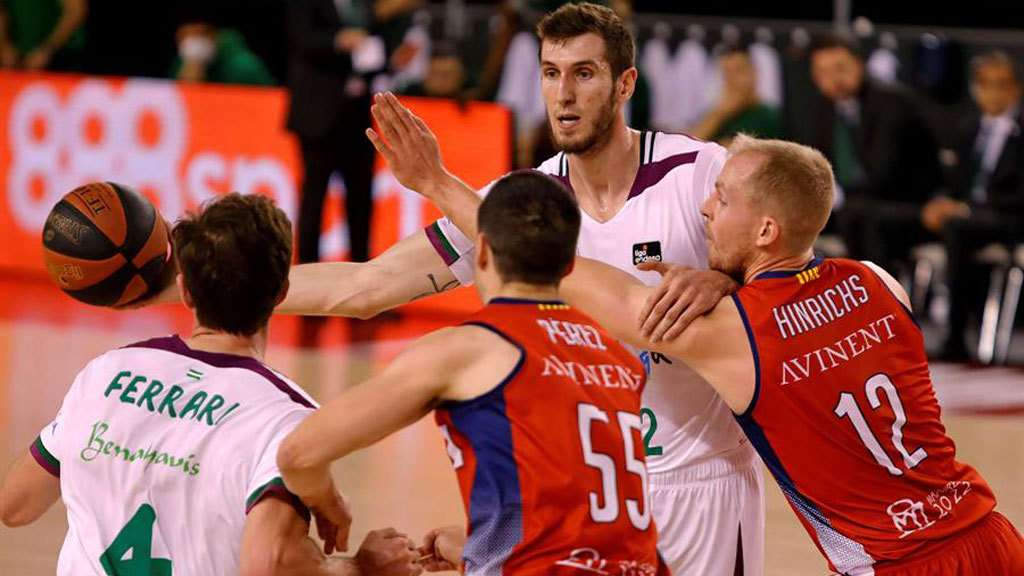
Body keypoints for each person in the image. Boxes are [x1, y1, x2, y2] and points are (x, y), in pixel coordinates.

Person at [141, 5, 764, 574]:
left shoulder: (696, 173)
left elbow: (783, 256)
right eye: (551, 74)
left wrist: (727, 277)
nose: (564, 95)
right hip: (580, 501)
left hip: (699, 483)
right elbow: (364, 286)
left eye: (584, 74)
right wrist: (183, 287)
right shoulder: (520, 202)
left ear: (624, 85)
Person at [424, 134, 1024, 575]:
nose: (705, 209)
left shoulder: (733, 333)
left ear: (765, 231)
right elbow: (802, 299)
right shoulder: (878, 280)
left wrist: (437, 185)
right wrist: (728, 280)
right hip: (991, 533)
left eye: (723, 197)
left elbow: (570, 272)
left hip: (895, 564)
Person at [0, 193, 420, 576]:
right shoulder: (290, 419)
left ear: (185, 290)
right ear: (282, 293)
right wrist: (359, 567)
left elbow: (15, 505)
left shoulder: (105, 374)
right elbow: (272, 563)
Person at [277, 171, 666, 576]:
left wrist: (327, 501)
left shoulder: (471, 347)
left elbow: (297, 454)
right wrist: (479, 546)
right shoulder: (616, 357)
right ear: (569, 265)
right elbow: (570, 504)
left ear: (480, 252)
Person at [805, 34, 943, 265]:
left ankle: (871, 285)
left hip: (909, 204)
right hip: (857, 204)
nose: (833, 79)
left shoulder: (892, 103)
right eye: (823, 72)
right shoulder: (823, 110)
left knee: (860, 216)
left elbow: (883, 174)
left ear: (859, 65)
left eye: (840, 68)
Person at [927, 50, 1024, 360]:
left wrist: (966, 210)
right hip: (968, 219)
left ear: (1016, 88)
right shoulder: (969, 128)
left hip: (1011, 218)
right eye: (985, 84)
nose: (992, 92)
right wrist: (940, 202)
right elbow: (956, 182)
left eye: (1001, 84)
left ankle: (956, 335)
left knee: (958, 227)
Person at [286, 0, 378, 264]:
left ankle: (363, 270)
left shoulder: (362, 4)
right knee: (314, 197)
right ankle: (307, 272)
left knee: (361, 198)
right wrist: (339, 40)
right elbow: (301, 37)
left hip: (359, 114)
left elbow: (372, 39)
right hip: (318, 114)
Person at [689, 44, 782, 146]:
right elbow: (688, 145)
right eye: (726, 73)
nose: (732, 79)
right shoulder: (718, 112)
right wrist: (720, 113)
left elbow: (729, 150)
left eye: (738, 71)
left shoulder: (765, 116)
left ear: (753, 72)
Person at [169, 17, 276, 86]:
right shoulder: (180, 63)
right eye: (186, 34)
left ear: (214, 35)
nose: (192, 41)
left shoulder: (244, 67)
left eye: (200, 33)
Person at [0, 0, 85, 71]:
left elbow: (75, 11)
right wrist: (4, 46)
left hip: (62, 58)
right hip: (15, 57)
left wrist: (46, 50)